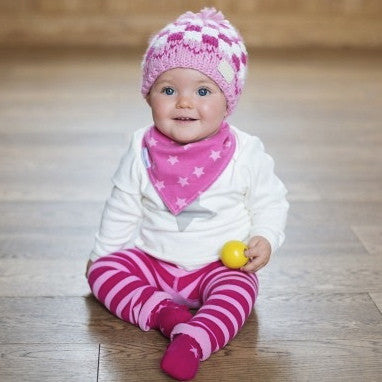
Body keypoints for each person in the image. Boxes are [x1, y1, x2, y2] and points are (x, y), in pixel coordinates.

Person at [86, 7, 289, 381]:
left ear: (228, 100)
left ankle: (196, 339)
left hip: (218, 266)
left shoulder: (245, 151)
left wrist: (266, 238)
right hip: (154, 263)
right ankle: (167, 315)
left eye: (203, 90)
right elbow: (123, 205)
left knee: (241, 288)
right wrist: (102, 255)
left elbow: (270, 201)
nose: (184, 102)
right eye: (167, 89)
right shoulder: (140, 147)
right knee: (103, 271)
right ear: (149, 97)